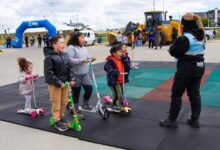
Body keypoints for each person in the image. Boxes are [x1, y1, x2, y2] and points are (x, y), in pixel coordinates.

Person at [159, 13, 206, 128]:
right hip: (199, 67)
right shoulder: (202, 35)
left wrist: (172, 47)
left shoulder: (185, 38)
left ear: (184, 24)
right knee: (195, 95)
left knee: (176, 95)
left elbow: (174, 52)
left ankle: (172, 120)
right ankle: (194, 120)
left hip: (186, 69)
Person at [44, 35, 75, 132]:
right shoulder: (49, 57)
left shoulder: (65, 55)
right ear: (54, 44)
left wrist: (72, 79)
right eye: (60, 43)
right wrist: (58, 82)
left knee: (64, 101)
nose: (63, 45)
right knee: (56, 102)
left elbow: (70, 69)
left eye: (63, 43)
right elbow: (49, 73)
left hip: (65, 83)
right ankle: (56, 120)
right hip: (55, 84)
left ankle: (61, 117)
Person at [66, 31, 96, 119]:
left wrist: (91, 58)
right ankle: (75, 110)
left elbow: (87, 57)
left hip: (84, 73)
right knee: (76, 93)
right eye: (82, 37)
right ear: (76, 38)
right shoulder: (71, 48)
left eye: (84, 37)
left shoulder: (83, 47)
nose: (84, 39)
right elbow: (69, 60)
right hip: (75, 74)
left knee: (89, 88)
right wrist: (81, 60)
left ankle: (85, 104)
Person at [104, 45, 127, 110]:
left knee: (122, 92)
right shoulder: (111, 61)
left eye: (121, 52)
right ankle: (114, 105)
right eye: (119, 52)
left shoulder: (121, 59)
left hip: (120, 80)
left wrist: (125, 57)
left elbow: (127, 65)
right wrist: (118, 72)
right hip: (113, 81)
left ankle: (119, 103)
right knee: (117, 93)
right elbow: (109, 69)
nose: (121, 53)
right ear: (114, 53)